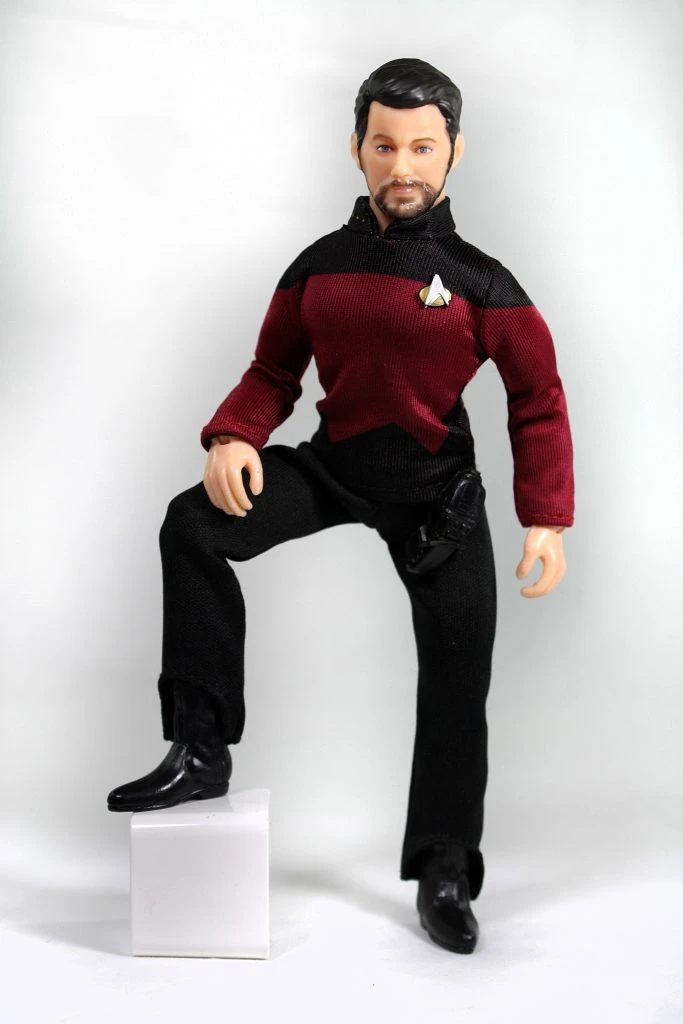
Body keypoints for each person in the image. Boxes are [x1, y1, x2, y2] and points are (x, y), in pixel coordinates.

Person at [107, 57, 575, 955]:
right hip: (333, 469)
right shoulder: (319, 266)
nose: (403, 166)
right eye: (384, 145)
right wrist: (234, 434)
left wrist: (544, 515)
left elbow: (537, 397)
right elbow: (273, 369)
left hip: (438, 496)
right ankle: (201, 749)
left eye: (423, 147)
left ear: (455, 152)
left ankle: (444, 863)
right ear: (355, 149)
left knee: (456, 674)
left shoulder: (480, 281)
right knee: (192, 525)